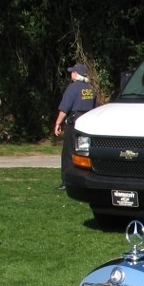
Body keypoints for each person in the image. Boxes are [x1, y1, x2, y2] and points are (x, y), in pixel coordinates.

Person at [54, 62, 96, 190]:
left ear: (76, 74)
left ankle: (67, 181)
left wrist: (58, 123)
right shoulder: (90, 88)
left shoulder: (73, 88)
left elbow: (64, 108)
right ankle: (85, 179)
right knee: (84, 152)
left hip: (74, 122)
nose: (71, 73)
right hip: (87, 124)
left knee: (69, 152)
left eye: (73, 72)